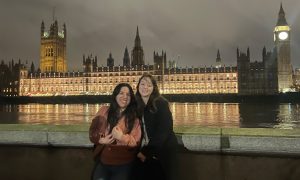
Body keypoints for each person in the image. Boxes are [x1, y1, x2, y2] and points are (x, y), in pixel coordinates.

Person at [89, 83, 141, 180]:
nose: (124, 96)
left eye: (128, 94)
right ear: (115, 95)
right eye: (121, 93)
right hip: (104, 161)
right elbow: (93, 132)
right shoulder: (104, 111)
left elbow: (136, 142)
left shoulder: (134, 118)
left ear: (131, 98)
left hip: (124, 163)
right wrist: (100, 140)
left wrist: (122, 137)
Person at [134, 74, 178, 180]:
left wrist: (145, 152)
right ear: (138, 86)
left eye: (149, 85)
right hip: (144, 151)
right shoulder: (136, 105)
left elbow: (164, 131)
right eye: (142, 84)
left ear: (154, 88)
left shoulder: (161, 103)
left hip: (161, 151)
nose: (145, 87)